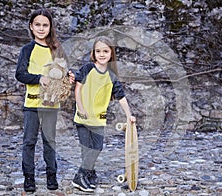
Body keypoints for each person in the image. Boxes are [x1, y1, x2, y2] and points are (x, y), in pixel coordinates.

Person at [15, 8, 73, 192]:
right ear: (31, 27)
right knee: (29, 142)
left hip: (50, 105)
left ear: (50, 27)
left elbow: (62, 73)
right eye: (37, 25)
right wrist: (39, 78)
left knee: (49, 141)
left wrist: (68, 77)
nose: (41, 28)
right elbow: (20, 74)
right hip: (32, 104)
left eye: (45, 25)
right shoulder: (27, 50)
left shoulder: (56, 49)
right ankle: (29, 179)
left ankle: (51, 177)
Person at [72, 36, 136, 192]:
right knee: (87, 149)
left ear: (111, 54)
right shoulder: (87, 68)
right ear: (93, 53)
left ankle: (86, 173)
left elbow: (121, 97)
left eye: (105, 51)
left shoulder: (111, 76)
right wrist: (80, 107)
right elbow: (78, 89)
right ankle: (82, 177)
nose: (102, 54)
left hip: (98, 120)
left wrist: (129, 115)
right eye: (98, 51)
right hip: (83, 118)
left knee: (97, 147)